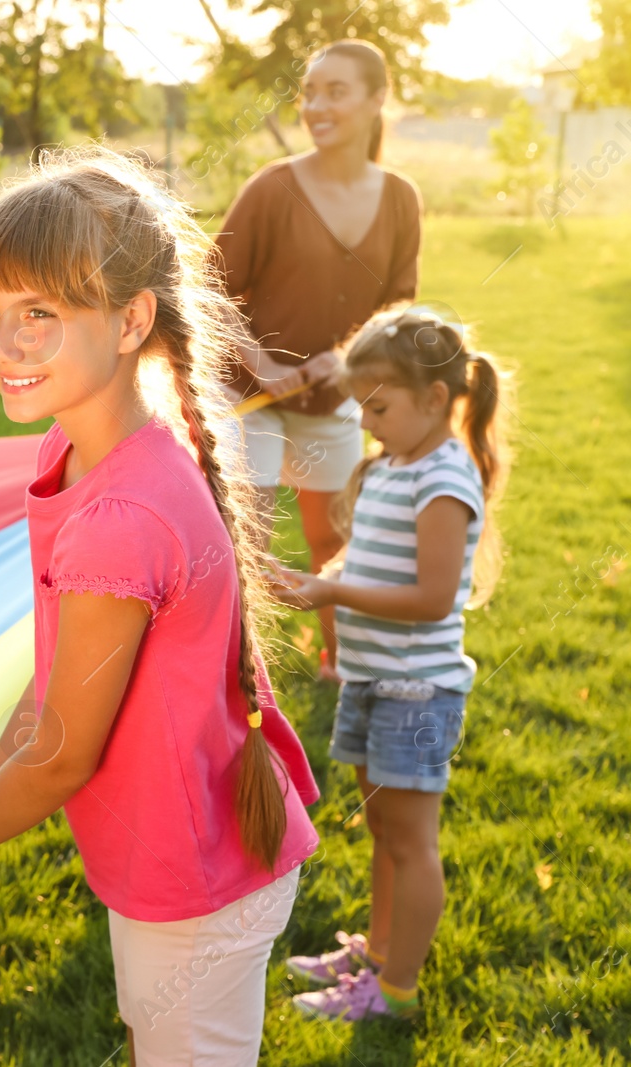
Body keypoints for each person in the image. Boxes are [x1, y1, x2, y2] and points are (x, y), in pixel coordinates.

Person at [0, 146, 320, 1065]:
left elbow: (60, 754)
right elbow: (55, 689)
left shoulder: (120, 517)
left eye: (40, 314)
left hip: (197, 876)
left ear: (132, 321)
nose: (3, 344)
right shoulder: (86, 452)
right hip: (185, 857)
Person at [271, 305, 508, 1021]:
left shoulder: (444, 479)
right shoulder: (391, 465)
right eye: (361, 406)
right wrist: (320, 576)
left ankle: (396, 988)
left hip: (415, 688)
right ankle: (376, 951)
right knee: (385, 830)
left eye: (378, 405)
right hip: (373, 679)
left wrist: (335, 588)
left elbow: (435, 597)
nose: (366, 421)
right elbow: (369, 556)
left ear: (435, 399)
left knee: (412, 839)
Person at [215, 39, 423, 682]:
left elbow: (399, 308)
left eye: (335, 91)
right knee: (246, 542)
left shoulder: (399, 198)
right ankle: (237, 676)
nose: (315, 106)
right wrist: (263, 363)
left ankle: (341, 661)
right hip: (250, 395)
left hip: (333, 402)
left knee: (333, 541)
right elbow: (206, 294)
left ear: (376, 99)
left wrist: (344, 360)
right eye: (310, 92)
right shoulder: (272, 189)